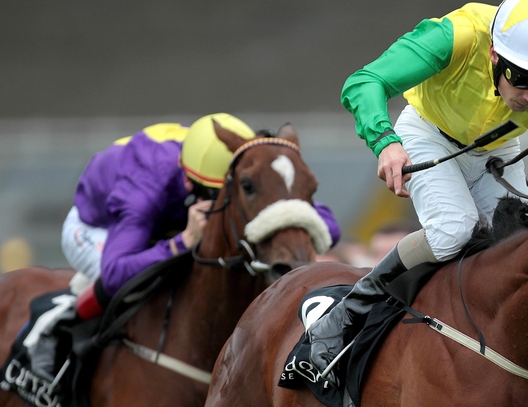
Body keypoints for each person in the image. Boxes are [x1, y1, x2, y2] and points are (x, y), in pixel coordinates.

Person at [308, 0, 528, 384]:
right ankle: (348, 313)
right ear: (493, 54)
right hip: (426, 134)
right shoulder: (457, 35)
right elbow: (365, 82)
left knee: (518, 248)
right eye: (522, 79)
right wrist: (385, 141)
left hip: (496, 149)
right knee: (454, 230)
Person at [28, 113, 340, 381]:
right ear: (188, 178)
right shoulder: (145, 190)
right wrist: (182, 242)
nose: (205, 195)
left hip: (167, 217)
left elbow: (322, 220)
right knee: (143, 280)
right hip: (98, 226)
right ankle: (59, 323)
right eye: (205, 190)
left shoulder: (248, 162)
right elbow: (115, 272)